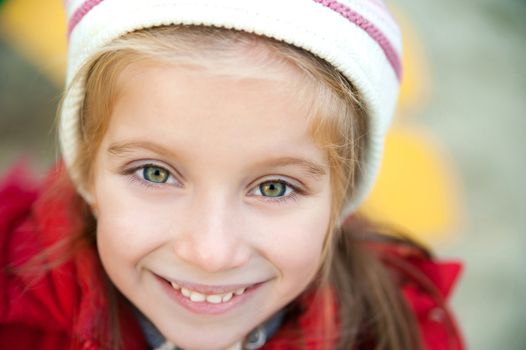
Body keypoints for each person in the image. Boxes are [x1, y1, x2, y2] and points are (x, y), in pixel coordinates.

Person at [0, 1, 464, 349]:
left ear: (340, 199)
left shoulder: (401, 332)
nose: (210, 253)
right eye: (155, 173)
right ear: (87, 171)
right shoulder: (14, 313)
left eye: (273, 187)